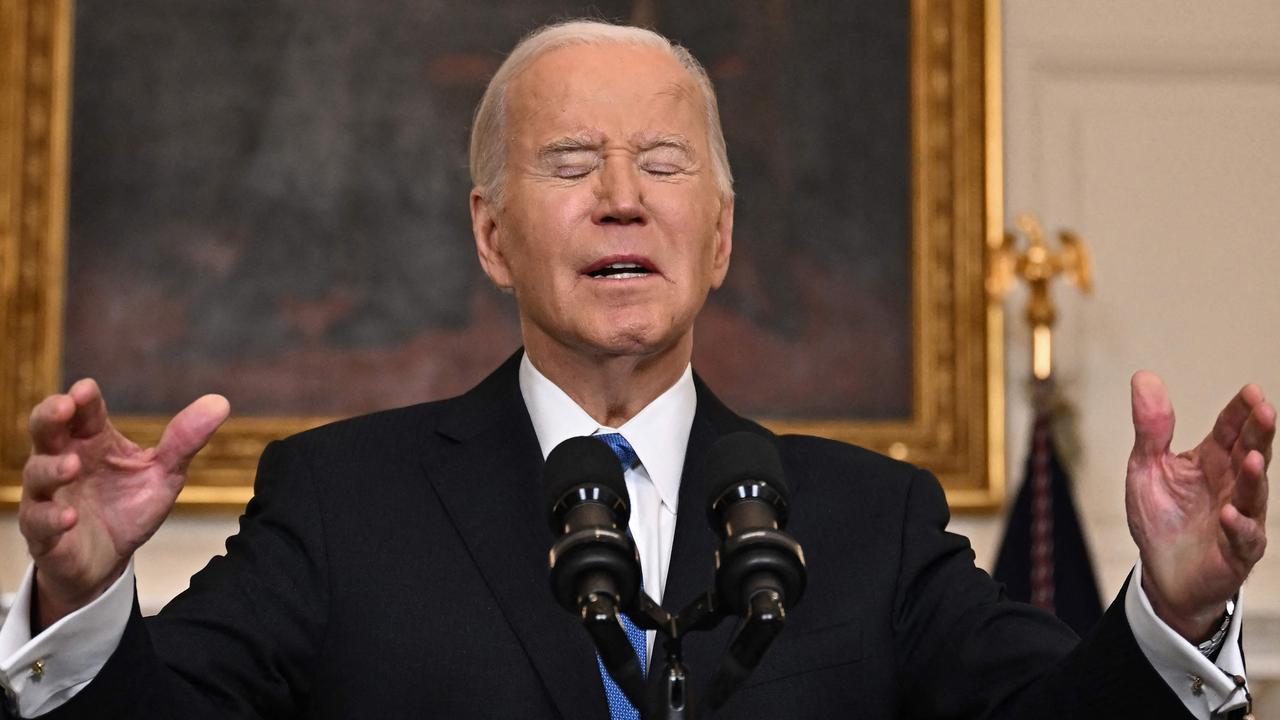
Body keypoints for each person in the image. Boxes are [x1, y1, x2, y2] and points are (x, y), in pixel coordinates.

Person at [1, 20, 1272, 720]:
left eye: (663, 165)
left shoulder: (864, 522)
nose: (620, 200)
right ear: (492, 236)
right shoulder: (344, 504)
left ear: (718, 237)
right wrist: (78, 601)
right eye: (568, 164)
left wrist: (1167, 614)